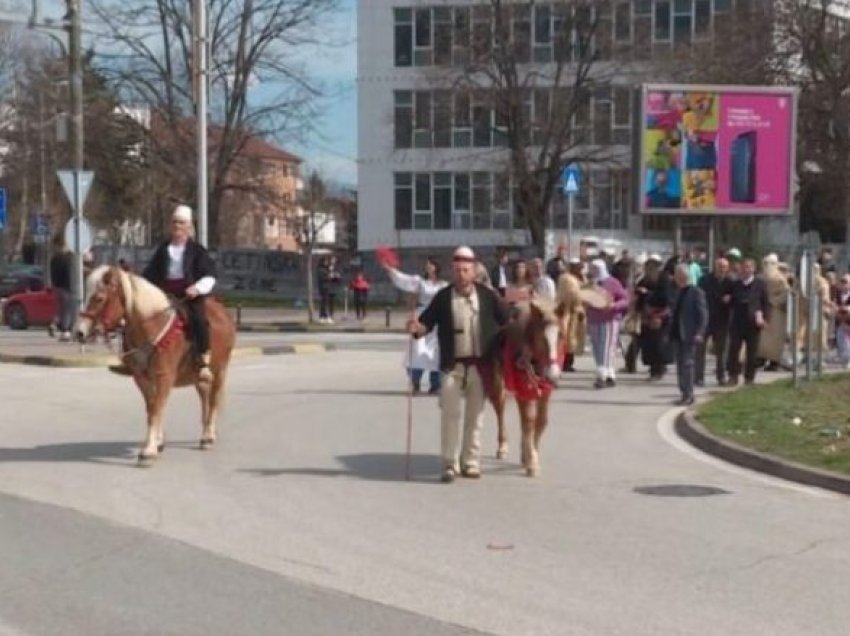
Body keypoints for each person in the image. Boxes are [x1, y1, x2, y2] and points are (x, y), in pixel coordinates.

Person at [407, 246, 509, 483]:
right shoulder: (443, 297)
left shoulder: (488, 296)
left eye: (466, 270)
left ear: (474, 271)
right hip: (452, 367)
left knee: (476, 417)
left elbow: (508, 320)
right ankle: (449, 464)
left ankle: (471, 462)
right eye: (457, 270)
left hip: (480, 366)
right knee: (450, 416)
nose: (461, 274)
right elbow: (426, 325)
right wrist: (415, 329)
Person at [142, 204, 217, 380]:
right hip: (164, 293)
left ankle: (203, 359)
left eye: (181, 223)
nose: (177, 226)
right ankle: (139, 357)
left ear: (189, 226)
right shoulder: (163, 249)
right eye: (174, 222)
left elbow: (210, 275)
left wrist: (197, 288)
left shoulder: (197, 250)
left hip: (187, 294)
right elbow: (151, 272)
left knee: (198, 318)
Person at [385, 256, 448, 394]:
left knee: (436, 351)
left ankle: (435, 384)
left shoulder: (443, 285)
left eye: (431, 265)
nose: (428, 267)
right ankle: (415, 381)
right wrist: (391, 270)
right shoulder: (420, 282)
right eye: (427, 265)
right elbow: (404, 280)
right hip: (422, 317)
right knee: (417, 350)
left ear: (436, 267)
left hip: (437, 318)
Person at [584, 259, 629, 388]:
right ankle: (609, 373)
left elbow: (625, 299)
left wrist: (614, 306)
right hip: (593, 319)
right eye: (592, 268)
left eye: (596, 269)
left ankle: (602, 375)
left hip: (609, 319)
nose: (593, 271)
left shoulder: (613, 282)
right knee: (597, 347)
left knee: (607, 347)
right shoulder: (590, 284)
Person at [726, 258, 769, 386]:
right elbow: (731, 302)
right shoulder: (735, 284)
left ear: (753, 269)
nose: (746, 270)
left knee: (752, 353)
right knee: (733, 351)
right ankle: (733, 376)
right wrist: (729, 299)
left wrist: (765, 319)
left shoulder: (760, 284)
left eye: (749, 267)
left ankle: (749, 378)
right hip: (737, 322)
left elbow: (765, 303)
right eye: (744, 267)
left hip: (753, 323)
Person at [670, 263, 708, 406]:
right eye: (676, 275)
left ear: (685, 276)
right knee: (680, 365)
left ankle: (689, 394)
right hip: (677, 334)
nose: (677, 278)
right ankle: (683, 392)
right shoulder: (678, 291)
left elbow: (703, 314)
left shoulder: (696, 292)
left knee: (687, 364)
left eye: (679, 275)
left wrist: (700, 332)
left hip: (690, 334)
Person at [696, 257, 733, 386]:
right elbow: (698, 297)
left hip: (722, 320)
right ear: (715, 267)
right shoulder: (704, 280)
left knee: (721, 351)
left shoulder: (730, 282)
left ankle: (721, 376)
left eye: (724, 267)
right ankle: (698, 377)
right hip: (705, 319)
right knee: (700, 350)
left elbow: (735, 299)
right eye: (719, 266)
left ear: (727, 268)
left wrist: (730, 298)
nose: (722, 269)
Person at [637, 255, 674, 380]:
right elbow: (638, 296)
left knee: (659, 344)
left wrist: (648, 294)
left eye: (653, 265)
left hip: (661, 316)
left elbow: (667, 298)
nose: (650, 268)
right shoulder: (644, 280)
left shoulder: (665, 280)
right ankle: (653, 369)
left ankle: (659, 369)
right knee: (648, 344)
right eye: (648, 265)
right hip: (647, 316)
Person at [758, 254, 790, 372]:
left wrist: (773, 301)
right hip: (764, 310)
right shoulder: (761, 277)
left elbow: (786, 293)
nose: (767, 266)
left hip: (777, 312)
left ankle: (774, 360)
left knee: (775, 337)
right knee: (763, 336)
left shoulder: (780, 279)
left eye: (770, 264)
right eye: (765, 263)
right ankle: (761, 357)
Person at [48, 234, 74, 341]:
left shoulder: (54, 258)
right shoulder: (67, 258)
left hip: (57, 287)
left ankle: (54, 324)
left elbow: (52, 273)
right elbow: (69, 273)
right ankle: (65, 332)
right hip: (67, 287)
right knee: (67, 310)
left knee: (61, 309)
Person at [317, 255, 341, 323]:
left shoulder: (333, 268)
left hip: (331, 287)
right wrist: (330, 275)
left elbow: (336, 277)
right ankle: (324, 316)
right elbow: (323, 277)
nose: (333, 261)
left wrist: (336, 276)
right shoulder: (322, 269)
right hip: (325, 287)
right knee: (324, 302)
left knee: (330, 303)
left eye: (335, 260)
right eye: (332, 260)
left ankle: (328, 316)